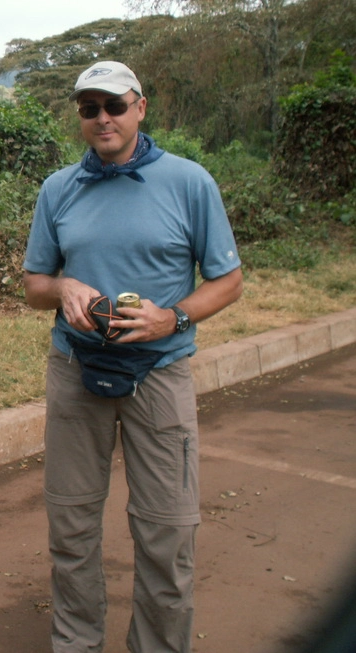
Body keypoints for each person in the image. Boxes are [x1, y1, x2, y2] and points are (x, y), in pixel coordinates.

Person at [22, 61, 243, 652]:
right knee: (71, 526)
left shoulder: (189, 182)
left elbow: (228, 280)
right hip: (75, 370)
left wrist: (173, 317)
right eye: (90, 108)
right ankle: (76, 644)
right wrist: (64, 289)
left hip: (160, 374)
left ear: (140, 108)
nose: (102, 119)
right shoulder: (59, 189)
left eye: (114, 106)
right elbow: (34, 282)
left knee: (167, 532)